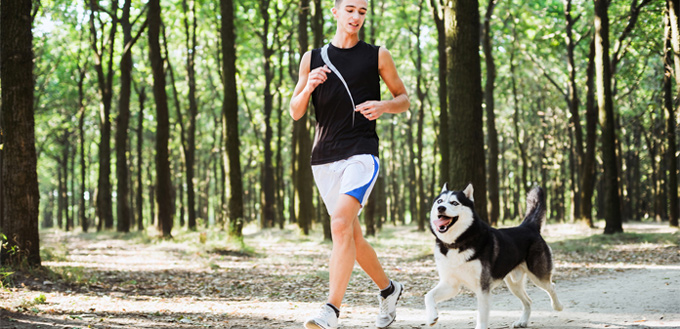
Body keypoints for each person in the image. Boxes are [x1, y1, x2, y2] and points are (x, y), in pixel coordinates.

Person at [289, 0, 410, 328]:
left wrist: (385, 106)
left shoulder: (377, 55)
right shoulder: (311, 58)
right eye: (351, 9)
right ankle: (389, 289)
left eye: (362, 11)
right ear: (335, 11)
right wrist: (309, 85)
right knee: (351, 236)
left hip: (361, 151)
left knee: (340, 224)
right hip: (323, 158)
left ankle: (330, 310)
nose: (356, 16)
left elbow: (404, 99)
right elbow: (296, 110)